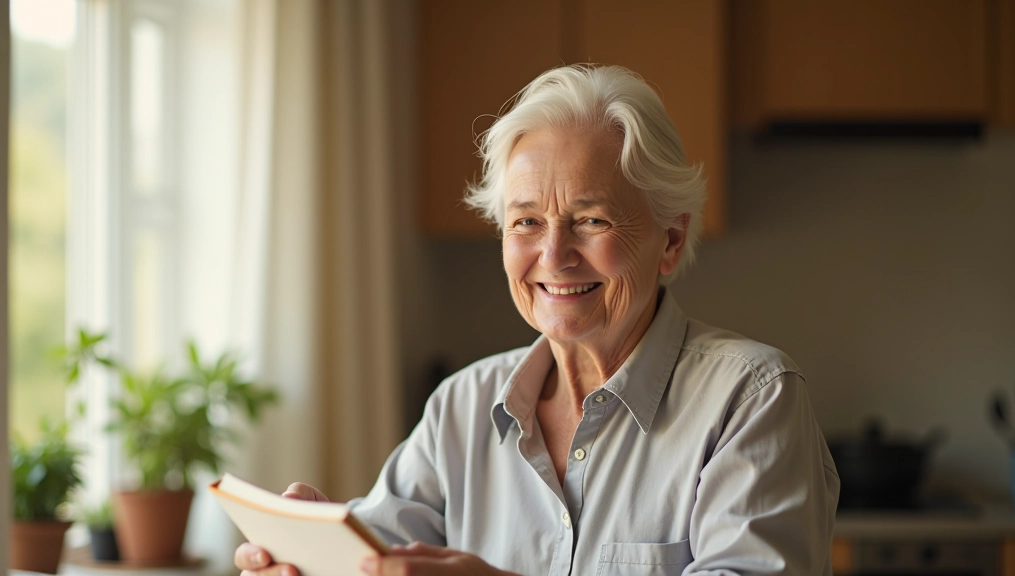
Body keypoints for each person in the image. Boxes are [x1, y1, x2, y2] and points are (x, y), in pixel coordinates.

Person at [236, 64, 839, 576]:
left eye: (592, 219)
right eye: (526, 222)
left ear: (671, 241)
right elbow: (382, 554)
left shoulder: (751, 397)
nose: (553, 255)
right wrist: (315, 554)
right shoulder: (461, 407)